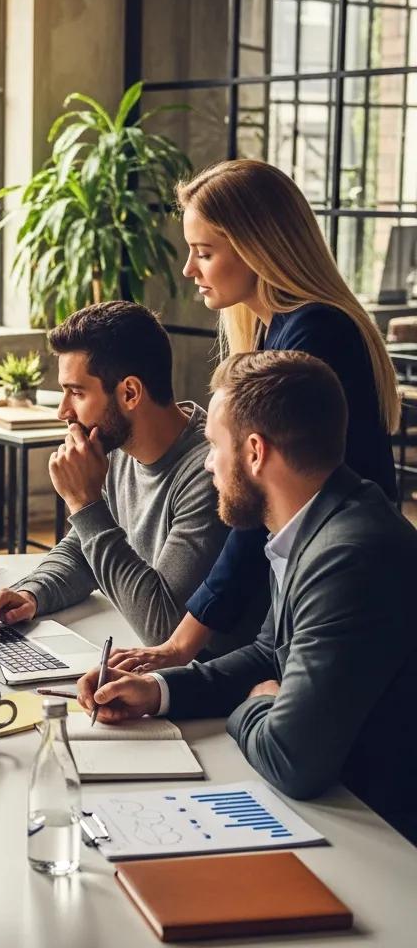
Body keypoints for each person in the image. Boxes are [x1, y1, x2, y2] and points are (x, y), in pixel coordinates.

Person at [75, 351, 417, 846]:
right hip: (342, 810)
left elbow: (290, 759)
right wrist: (157, 690)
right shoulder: (315, 523)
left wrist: (257, 704)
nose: (208, 462)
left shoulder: (347, 556)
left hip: (382, 836)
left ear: (254, 452)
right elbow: (267, 655)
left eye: (215, 445)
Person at [113, 159, 401, 673]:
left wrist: (181, 643)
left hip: (339, 589)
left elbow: (258, 510)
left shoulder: (315, 333)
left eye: (204, 252)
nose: (189, 269)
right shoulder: (278, 329)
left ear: (257, 248)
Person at [0, 301, 249, 651]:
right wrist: (32, 592)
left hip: (205, 677)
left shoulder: (208, 473)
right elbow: (84, 549)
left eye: (76, 392)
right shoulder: (116, 447)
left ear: (129, 393)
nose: (63, 411)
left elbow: (164, 628)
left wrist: (84, 502)